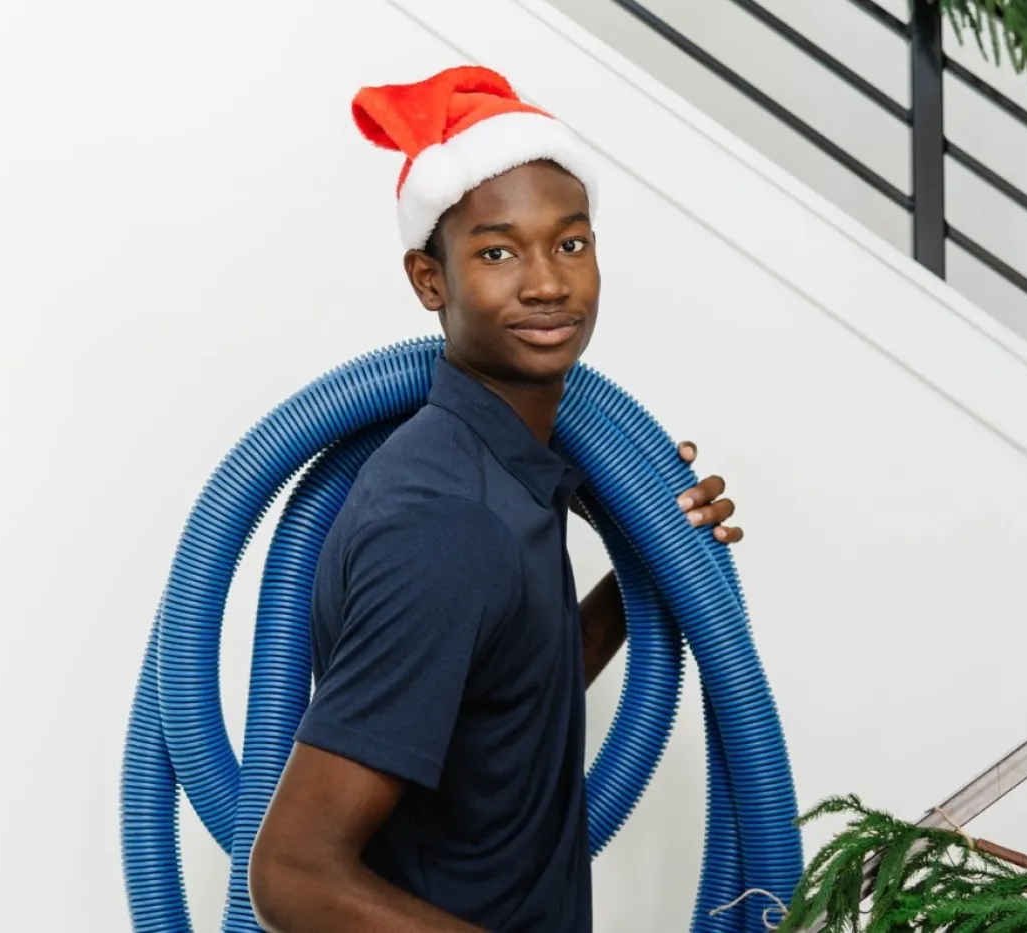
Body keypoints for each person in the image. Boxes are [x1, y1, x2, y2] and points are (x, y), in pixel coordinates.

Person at [247, 65, 743, 933]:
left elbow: (497, 687)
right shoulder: (447, 522)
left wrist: (660, 566)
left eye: (572, 243)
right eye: (497, 251)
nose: (548, 282)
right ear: (429, 281)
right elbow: (293, 874)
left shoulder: (507, 473)